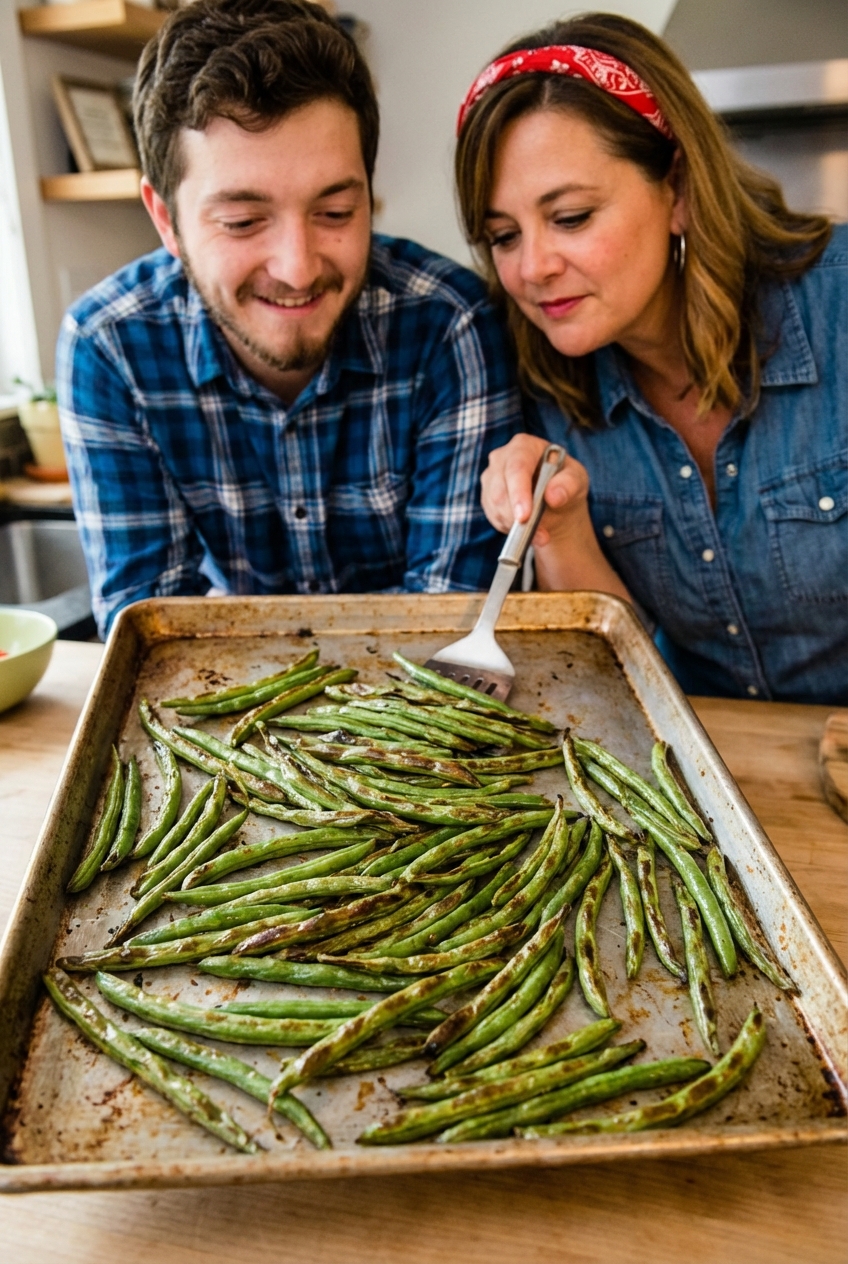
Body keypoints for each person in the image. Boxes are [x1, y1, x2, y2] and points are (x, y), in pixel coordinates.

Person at [57, 0, 522, 638]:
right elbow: (150, 632)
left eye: (334, 212)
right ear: (165, 219)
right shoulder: (109, 346)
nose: (298, 269)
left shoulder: (450, 325)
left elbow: (447, 627)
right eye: (244, 222)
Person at [455, 14, 846, 705]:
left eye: (571, 217)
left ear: (680, 191)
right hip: (712, 770)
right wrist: (560, 526)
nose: (532, 268)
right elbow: (625, 676)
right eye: (503, 235)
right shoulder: (543, 375)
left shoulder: (837, 307)